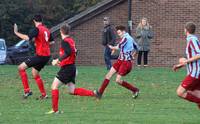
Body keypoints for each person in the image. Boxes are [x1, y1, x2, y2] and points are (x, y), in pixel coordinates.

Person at [46, 24, 95, 114]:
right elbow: (75, 52)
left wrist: (58, 60)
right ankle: (94, 93)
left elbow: (69, 52)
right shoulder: (71, 40)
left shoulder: (65, 41)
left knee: (54, 86)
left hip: (67, 69)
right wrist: (62, 61)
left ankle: (55, 110)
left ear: (61, 31)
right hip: (72, 67)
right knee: (72, 91)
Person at [14, 14, 54, 99]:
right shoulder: (47, 30)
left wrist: (16, 32)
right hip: (47, 56)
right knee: (34, 73)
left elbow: (27, 38)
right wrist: (42, 44)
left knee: (21, 68)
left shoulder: (37, 29)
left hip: (40, 56)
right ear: (41, 20)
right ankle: (44, 95)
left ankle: (27, 91)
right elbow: (52, 42)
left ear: (34, 21)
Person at [94, 25, 139, 99]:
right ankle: (100, 93)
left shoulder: (126, 38)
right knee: (108, 75)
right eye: (118, 33)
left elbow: (119, 46)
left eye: (119, 33)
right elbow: (137, 48)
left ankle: (135, 90)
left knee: (118, 80)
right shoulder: (129, 38)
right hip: (120, 61)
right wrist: (133, 56)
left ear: (123, 32)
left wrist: (112, 47)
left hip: (125, 63)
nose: (119, 35)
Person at [173, 22, 200, 108]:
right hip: (196, 73)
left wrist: (186, 61)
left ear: (186, 30)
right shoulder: (192, 39)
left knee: (180, 92)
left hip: (194, 73)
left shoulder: (192, 40)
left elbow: (199, 54)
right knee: (196, 95)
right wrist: (182, 64)